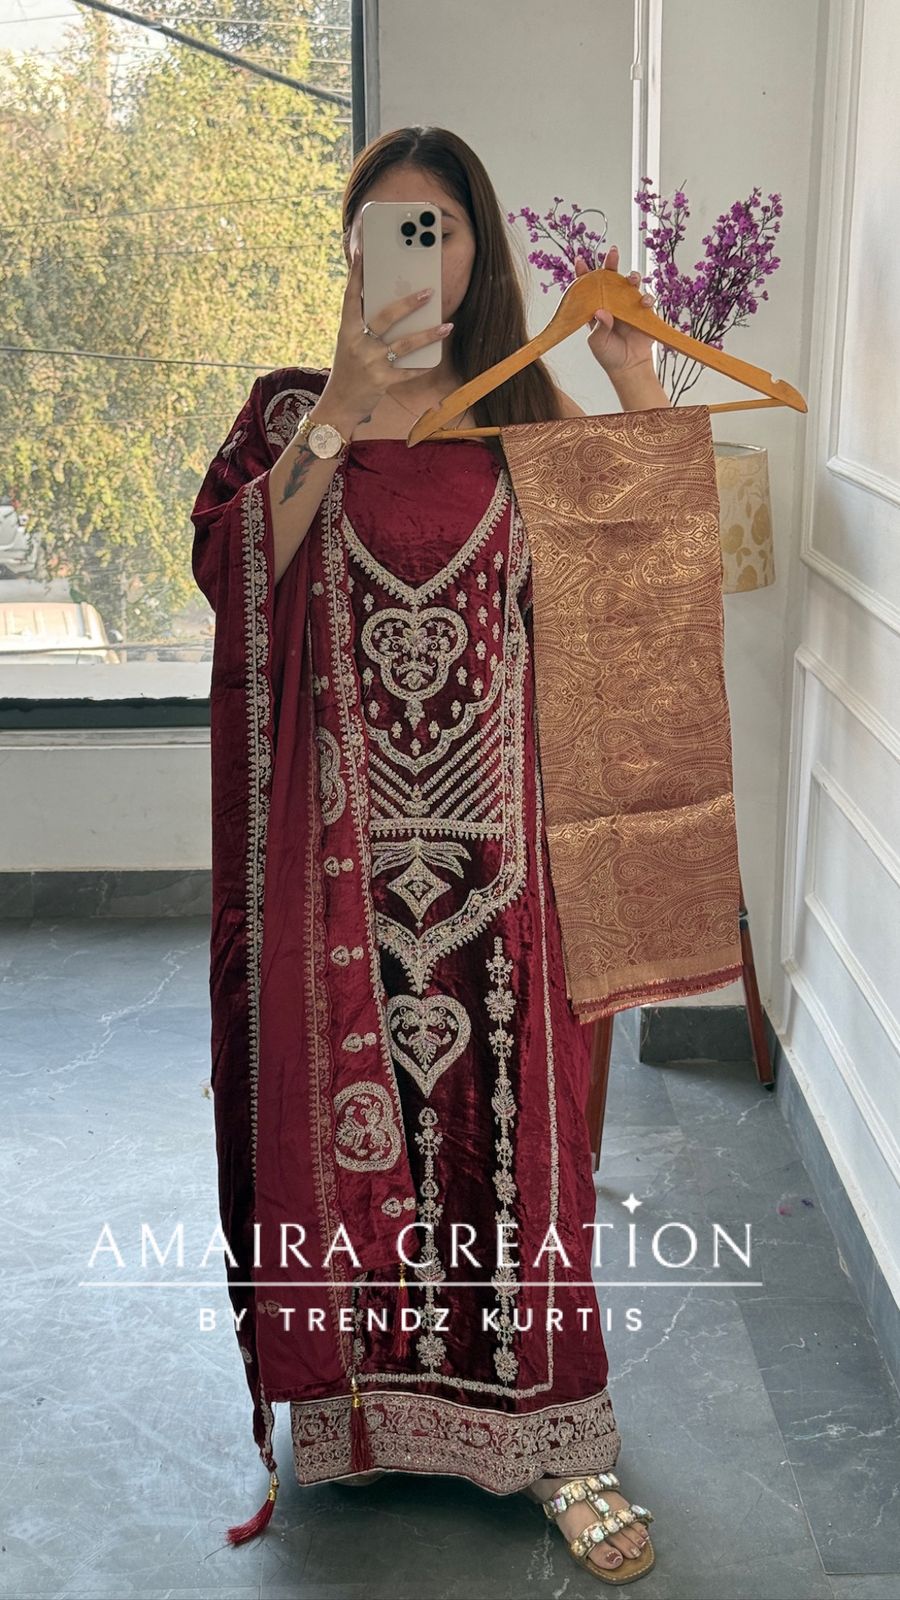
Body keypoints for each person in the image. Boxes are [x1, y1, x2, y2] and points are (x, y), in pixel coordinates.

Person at [191, 124, 669, 1585]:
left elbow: (641, 586)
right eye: (385, 232)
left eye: (438, 229)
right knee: (357, 1140)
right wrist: (341, 412)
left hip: (506, 870)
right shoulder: (288, 415)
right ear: (350, 251)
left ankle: (557, 1438)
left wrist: (637, 385)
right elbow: (235, 573)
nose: (414, 257)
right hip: (337, 868)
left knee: (523, 1150)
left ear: (481, 248)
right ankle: (363, 1410)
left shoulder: (522, 414)